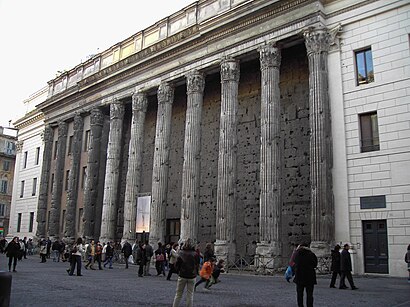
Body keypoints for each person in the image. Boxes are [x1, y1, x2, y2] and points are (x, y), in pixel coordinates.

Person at [172, 238, 200, 307]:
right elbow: (197, 264)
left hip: (182, 275)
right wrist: (196, 272)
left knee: (178, 294)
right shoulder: (195, 254)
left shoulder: (181, 253)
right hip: (192, 276)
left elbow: (176, 264)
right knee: (190, 294)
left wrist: (179, 271)